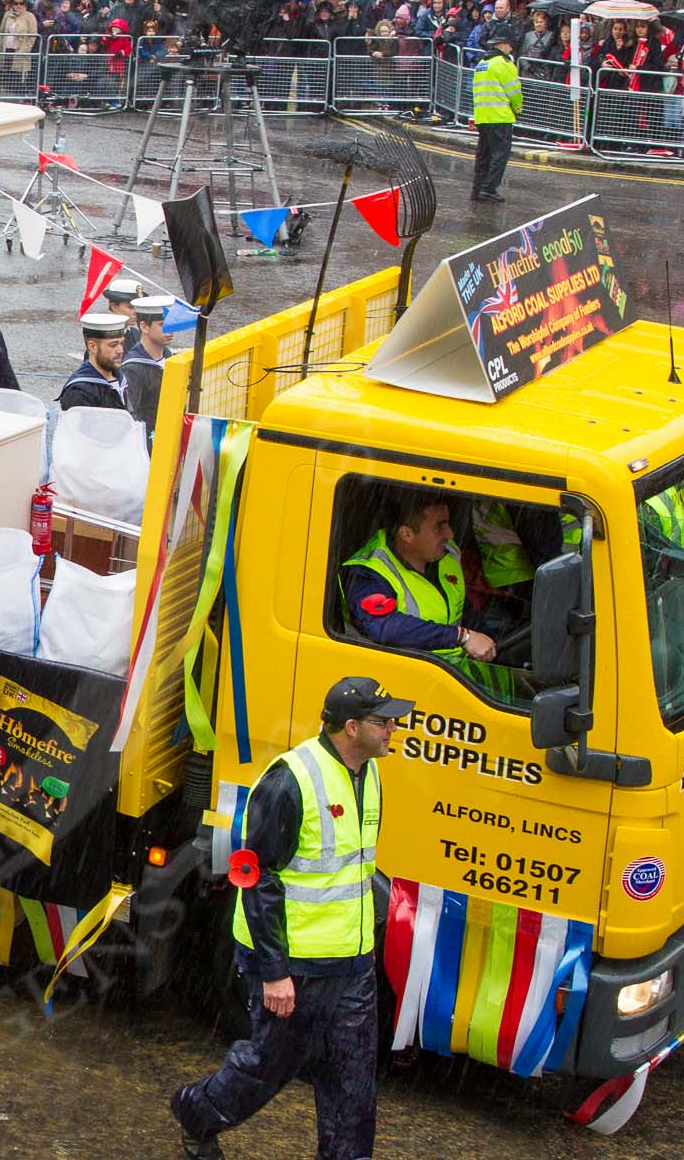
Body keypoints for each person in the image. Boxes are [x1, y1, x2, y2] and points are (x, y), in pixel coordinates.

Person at [170, 676, 405, 1160]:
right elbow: (257, 877)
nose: (392, 730)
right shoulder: (290, 781)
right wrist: (274, 972)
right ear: (352, 727)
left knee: (353, 1085)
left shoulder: (369, 774)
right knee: (267, 1067)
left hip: (352, 963)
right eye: (382, 722)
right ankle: (198, 1113)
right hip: (295, 965)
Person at [340, 492, 502, 685]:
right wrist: (462, 637)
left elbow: (462, 611)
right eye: (439, 526)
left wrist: (492, 644)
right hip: (397, 686)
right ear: (406, 534)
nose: (450, 534)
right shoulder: (368, 572)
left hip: (451, 679)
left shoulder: (448, 555)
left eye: (448, 524)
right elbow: (384, 627)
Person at [470, 22, 520, 203]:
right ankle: (489, 189)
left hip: (482, 116)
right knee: (499, 155)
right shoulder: (504, 64)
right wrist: (518, 109)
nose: (511, 48)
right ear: (503, 44)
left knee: (483, 155)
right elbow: (514, 92)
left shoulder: (482, 63)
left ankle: (477, 189)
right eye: (510, 44)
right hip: (500, 117)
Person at [121, 294, 174, 446]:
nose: (170, 330)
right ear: (144, 327)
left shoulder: (170, 357)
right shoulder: (133, 368)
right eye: (162, 325)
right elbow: (131, 415)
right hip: (147, 443)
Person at [58, 313, 130, 412]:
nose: (120, 350)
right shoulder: (79, 391)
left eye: (122, 343)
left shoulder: (121, 378)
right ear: (93, 347)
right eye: (113, 345)